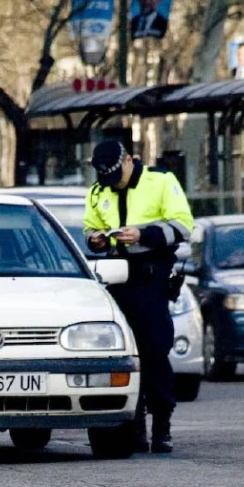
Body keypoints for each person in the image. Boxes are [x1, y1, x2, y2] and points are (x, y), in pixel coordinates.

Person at [83, 140, 193, 454]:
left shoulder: (160, 181)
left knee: (155, 351)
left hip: (150, 276)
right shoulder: (98, 190)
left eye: (117, 175)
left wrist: (143, 234)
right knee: (122, 354)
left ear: (129, 160)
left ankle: (162, 425)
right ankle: (133, 427)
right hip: (114, 279)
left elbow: (183, 226)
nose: (113, 183)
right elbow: (90, 227)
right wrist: (96, 239)